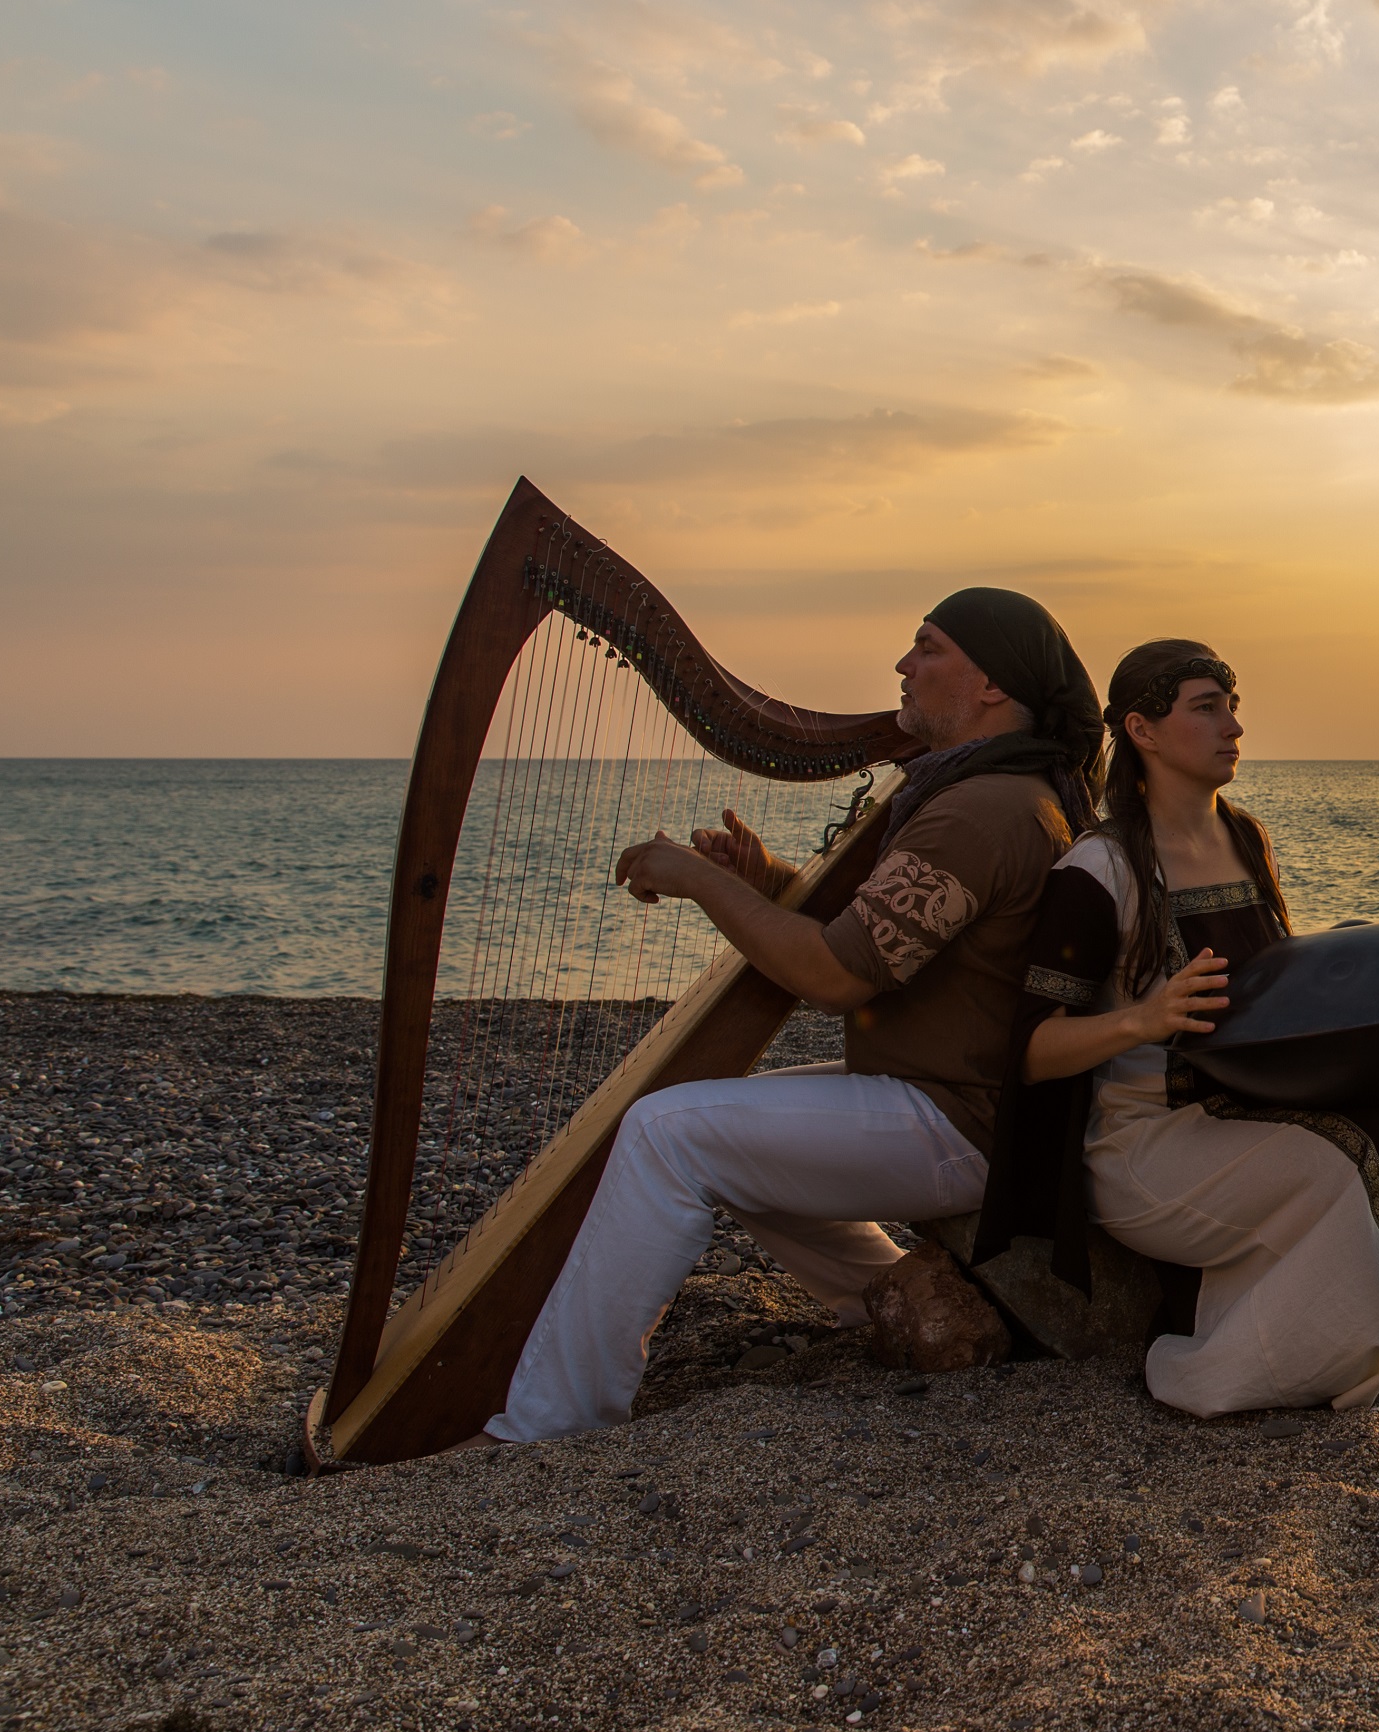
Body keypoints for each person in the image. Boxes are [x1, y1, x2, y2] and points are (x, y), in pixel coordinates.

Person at [465, 589, 1103, 1446]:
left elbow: (837, 977)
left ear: (992, 683)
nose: (904, 666)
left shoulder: (982, 811)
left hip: (968, 1120)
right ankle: (894, 1300)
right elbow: (879, 933)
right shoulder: (996, 794)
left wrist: (698, 880)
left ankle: (550, 1422)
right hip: (959, 1098)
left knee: (668, 1132)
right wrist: (766, 881)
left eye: (928, 647)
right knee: (727, 1128)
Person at [971, 640, 1379, 1415]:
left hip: (1259, 1102)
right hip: (1146, 1143)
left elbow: (1277, 993)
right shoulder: (1100, 871)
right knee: (1335, 1169)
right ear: (1141, 730)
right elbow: (1032, 1053)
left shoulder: (1246, 839)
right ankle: (1228, 1371)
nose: (1232, 727)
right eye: (1206, 708)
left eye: (1232, 707)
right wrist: (1144, 1019)